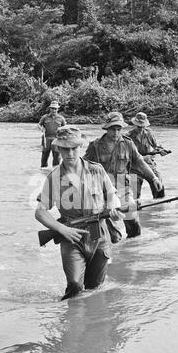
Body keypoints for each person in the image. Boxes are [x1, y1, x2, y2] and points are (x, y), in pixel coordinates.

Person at [35, 126, 125, 301]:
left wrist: (113, 209)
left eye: (74, 148)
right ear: (58, 148)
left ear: (80, 148)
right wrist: (62, 229)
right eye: (65, 149)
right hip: (71, 237)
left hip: (99, 235)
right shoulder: (54, 177)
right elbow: (40, 212)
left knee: (94, 288)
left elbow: (112, 195)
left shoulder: (96, 170)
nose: (70, 153)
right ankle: (67, 318)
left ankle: (90, 323)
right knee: (75, 285)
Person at [83, 112, 163, 238]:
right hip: (101, 190)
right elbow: (83, 167)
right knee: (103, 228)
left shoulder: (128, 143)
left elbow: (140, 162)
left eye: (118, 129)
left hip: (123, 186)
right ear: (106, 128)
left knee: (133, 220)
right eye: (112, 129)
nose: (115, 132)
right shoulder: (95, 145)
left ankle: (132, 249)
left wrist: (153, 178)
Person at [127, 112, 169, 199]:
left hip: (149, 165)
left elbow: (156, 146)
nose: (141, 129)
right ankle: (135, 204)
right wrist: (142, 158)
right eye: (139, 127)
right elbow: (126, 156)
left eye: (143, 127)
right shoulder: (128, 137)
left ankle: (159, 205)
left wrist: (161, 151)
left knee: (158, 184)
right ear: (134, 125)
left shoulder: (149, 133)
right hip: (134, 167)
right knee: (135, 188)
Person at [38, 100, 66, 168]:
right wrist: (41, 128)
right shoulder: (45, 117)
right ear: (50, 108)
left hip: (57, 139)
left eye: (55, 109)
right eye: (52, 108)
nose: (54, 110)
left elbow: (65, 128)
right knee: (45, 154)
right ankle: (43, 169)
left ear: (57, 109)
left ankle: (55, 169)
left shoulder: (61, 118)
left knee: (56, 155)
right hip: (46, 138)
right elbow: (39, 125)